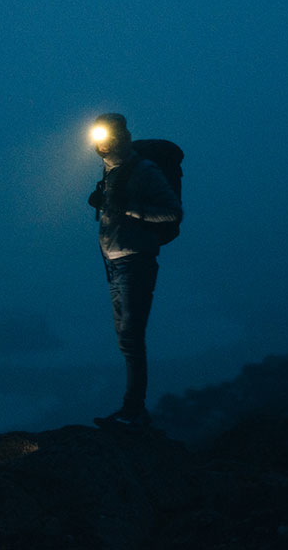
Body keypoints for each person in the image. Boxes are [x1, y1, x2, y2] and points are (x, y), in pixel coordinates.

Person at [88, 113, 182, 429]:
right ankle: (132, 409)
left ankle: (134, 410)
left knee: (131, 336)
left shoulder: (144, 170)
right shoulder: (111, 171)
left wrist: (129, 209)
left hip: (135, 261)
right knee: (126, 338)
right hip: (116, 264)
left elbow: (172, 212)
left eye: (105, 137)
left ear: (119, 137)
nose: (101, 144)